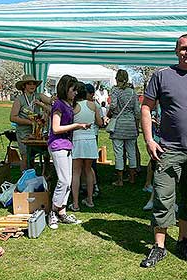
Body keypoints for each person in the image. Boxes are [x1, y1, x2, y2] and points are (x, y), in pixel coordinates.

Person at [139, 34, 187, 268]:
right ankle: (159, 247)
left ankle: (183, 241)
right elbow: (146, 108)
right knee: (162, 198)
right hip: (167, 150)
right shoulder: (161, 76)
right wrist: (149, 139)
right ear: (176, 51)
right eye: (183, 48)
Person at [47, 75, 89, 229]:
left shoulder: (68, 104)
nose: (75, 93)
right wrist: (76, 125)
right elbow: (56, 128)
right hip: (58, 145)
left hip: (66, 145)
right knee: (63, 180)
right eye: (73, 90)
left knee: (68, 181)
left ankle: (62, 212)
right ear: (65, 89)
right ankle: (53, 211)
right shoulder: (59, 104)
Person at [69, 82, 103, 211]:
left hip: (77, 140)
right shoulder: (93, 105)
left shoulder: (73, 106)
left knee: (76, 172)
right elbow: (99, 123)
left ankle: (76, 203)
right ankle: (90, 199)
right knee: (88, 170)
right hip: (90, 139)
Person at [10, 74, 53, 171]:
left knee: (46, 154)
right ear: (24, 86)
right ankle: (25, 180)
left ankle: (46, 176)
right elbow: (13, 117)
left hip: (39, 133)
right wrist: (31, 122)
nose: (32, 86)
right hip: (24, 133)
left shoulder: (39, 96)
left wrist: (48, 103)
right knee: (25, 157)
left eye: (34, 83)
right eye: (29, 84)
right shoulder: (19, 99)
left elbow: (51, 102)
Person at [107, 69, 140, 186]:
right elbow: (137, 111)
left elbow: (113, 105)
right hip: (130, 125)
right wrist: (137, 125)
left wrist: (110, 112)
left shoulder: (115, 91)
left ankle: (120, 180)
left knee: (118, 153)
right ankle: (132, 178)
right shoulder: (132, 92)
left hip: (119, 125)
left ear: (117, 78)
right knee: (131, 152)